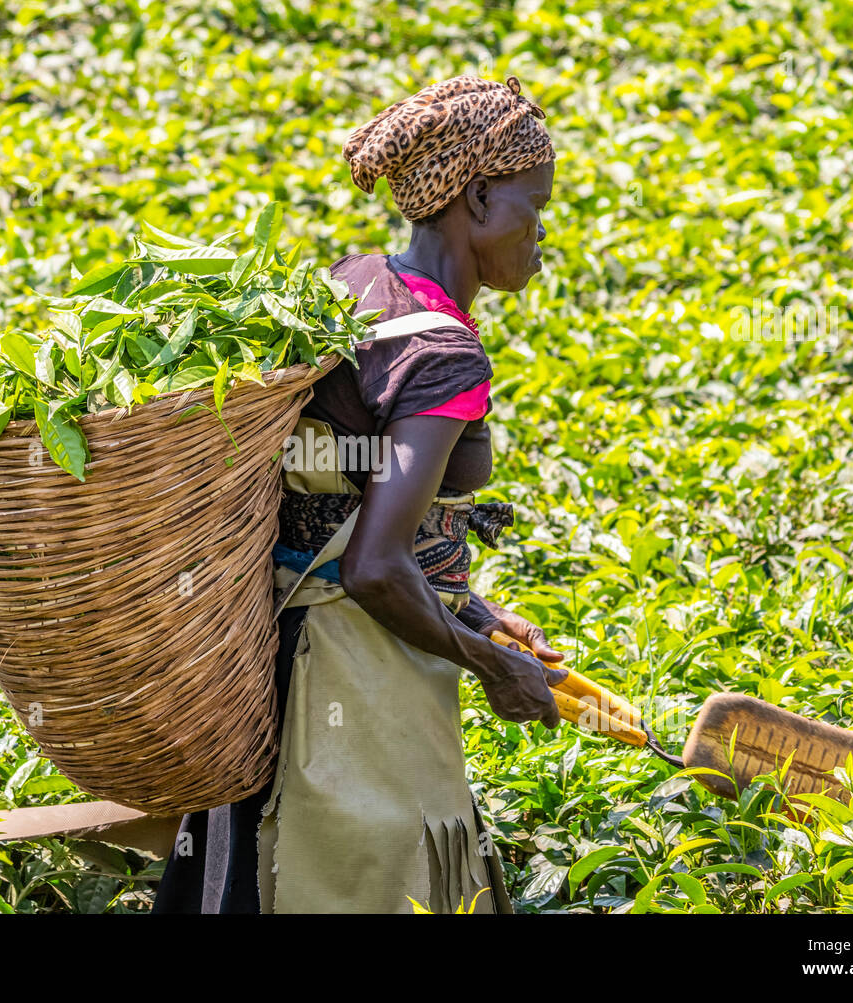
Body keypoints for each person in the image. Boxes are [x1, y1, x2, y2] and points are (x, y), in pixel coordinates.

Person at [154, 74, 567, 914]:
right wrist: (495, 670)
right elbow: (374, 567)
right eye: (535, 203)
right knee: (360, 875)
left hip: (267, 660)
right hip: (353, 670)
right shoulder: (443, 357)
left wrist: (473, 611)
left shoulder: (349, 287)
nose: (542, 229)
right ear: (481, 197)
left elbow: (330, 507)